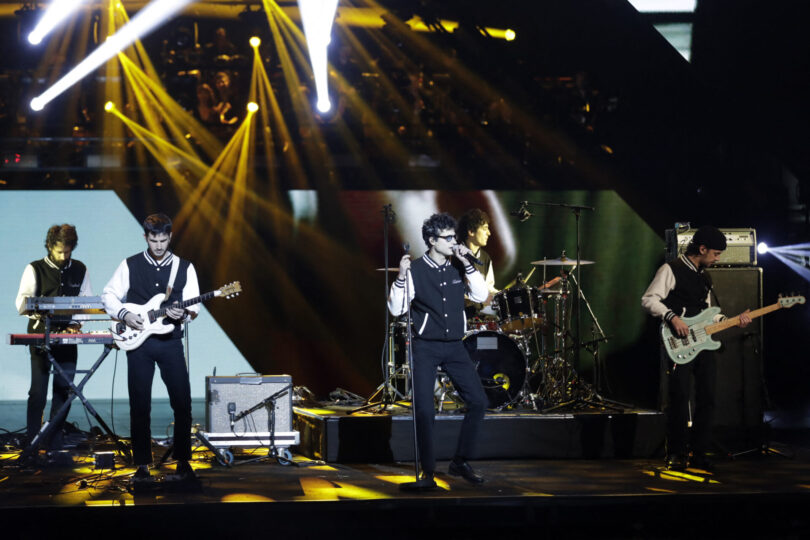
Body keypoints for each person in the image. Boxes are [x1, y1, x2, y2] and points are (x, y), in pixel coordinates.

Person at [388, 213, 489, 489]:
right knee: (424, 410)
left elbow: (481, 296)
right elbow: (396, 309)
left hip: (455, 346)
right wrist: (401, 277)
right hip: (425, 347)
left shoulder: (458, 267)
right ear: (432, 241)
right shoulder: (416, 270)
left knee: (479, 401)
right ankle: (428, 473)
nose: (454, 242)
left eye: (454, 237)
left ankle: (460, 461)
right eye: (448, 238)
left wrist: (467, 263)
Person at [641, 226, 751, 471]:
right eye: (716, 253)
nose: (718, 259)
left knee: (707, 397)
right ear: (702, 249)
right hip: (678, 341)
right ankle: (676, 452)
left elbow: (708, 314)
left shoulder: (705, 277)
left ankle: (699, 452)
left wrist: (730, 320)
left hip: (704, 344)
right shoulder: (671, 269)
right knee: (679, 397)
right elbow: (649, 299)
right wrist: (672, 317)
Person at [102, 214, 200, 482]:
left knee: (182, 402)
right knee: (139, 404)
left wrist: (184, 314)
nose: (158, 246)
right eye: (153, 240)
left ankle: (183, 461)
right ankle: (142, 464)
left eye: (163, 240)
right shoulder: (130, 264)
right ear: (145, 237)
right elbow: (108, 295)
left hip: (170, 342)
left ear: (170, 237)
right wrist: (124, 314)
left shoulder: (184, 267)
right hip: (138, 344)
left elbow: (194, 305)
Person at [15, 224, 92, 450]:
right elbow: (21, 303)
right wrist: (40, 310)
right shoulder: (35, 268)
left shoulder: (80, 269)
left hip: (68, 337)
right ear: (49, 246)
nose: (63, 256)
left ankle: (53, 440)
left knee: (64, 390)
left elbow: (86, 302)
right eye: (59, 252)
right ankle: (33, 442)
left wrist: (76, 324)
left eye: (67, 252)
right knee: (37, 392)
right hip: (41, 336)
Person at [456, 208, 498, 319]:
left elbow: (489, 288)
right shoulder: (453, 257)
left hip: (476, 316)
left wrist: (502, 294)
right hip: (456, 316)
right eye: (484, 229)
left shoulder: (486, 258)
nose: (489, 233)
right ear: (471, 231)